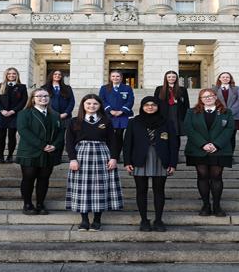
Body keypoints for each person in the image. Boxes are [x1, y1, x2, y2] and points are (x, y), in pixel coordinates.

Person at [65, 94, 124, 231]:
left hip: (102, 155)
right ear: (83, 106)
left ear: (99, 106)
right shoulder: (74, 121)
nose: (92, 106)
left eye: (95, 104)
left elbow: (113, 141)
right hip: (81, 156)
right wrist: (72, 159)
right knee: (82, 188)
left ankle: (97, 220)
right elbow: (69, 142)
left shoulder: (106, 121)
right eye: (88, 104)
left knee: (100, 188)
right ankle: (84, 220)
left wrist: (114, 157)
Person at [123, 96, 178, 232]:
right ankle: (144, 220)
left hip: (161, 159)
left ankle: (158, 220)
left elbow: (174, 144)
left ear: (158, 106)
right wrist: (127, 161)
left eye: (153, 104)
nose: (150, 107)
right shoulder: (134, 122)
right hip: (140, 159)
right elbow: (127, 143)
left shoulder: (167, 122)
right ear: (142, 107)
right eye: (146, 104)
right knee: (141, 191)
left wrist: (173, 163)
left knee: (159, 191)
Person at [184, 88, 235, 217]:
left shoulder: (226, 112)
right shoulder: (192, 112)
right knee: (202, 176)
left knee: (217, 177)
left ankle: (217, 206)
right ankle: (206, 205)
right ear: (200, 99)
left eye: (210, 96)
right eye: (204, 97)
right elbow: (189, 129)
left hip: (220, 150)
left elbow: (229, 129)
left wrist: (216, 144)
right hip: (198, 149)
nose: (208, 98)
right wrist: (203, 144)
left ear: (215, 97)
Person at [15, 88, 64, 215]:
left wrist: (55, 145)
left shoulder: (55, 114)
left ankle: (40, 203)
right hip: (30, 151)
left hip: (49, 152)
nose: (43, 98)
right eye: (39, 96)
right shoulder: (25, 113)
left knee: (44, 179)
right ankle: (27, 204)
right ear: (33, 99)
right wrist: (42, 145)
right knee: (28, 178)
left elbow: (61, 132)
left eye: (46, 96)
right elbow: (24, 131)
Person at [0, 67, 28, 164]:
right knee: (1, 136)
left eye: (14, 74)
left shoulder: (21, 87)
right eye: (9, 74)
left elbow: (23, 101)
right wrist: (1, 110)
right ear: (6, 75)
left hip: (14, 115)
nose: (11, 75)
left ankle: (10, 156)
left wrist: (13, 111)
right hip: (1, 115)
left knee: (12, 136)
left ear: (17, 75)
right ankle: (0, 156)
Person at [98, 71, 134, 158]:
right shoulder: (104, 88)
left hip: (122, 116)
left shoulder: (127, 88)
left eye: (118, 76)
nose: (115, 78)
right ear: (110, 78)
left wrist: (121, 111)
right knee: (107, 135)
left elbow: (130, 101)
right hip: (108, 115)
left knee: (118, 136)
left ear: (121, 78)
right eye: (113, 76)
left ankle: (116, 156)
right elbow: (101, 100)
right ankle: (107, 155)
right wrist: (110, 110)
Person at [40, 69, 75, 159]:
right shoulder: (44, 88)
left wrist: (66, 113)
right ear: (51, 75)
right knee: (51, 135)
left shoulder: (67, 88)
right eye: (55, 74)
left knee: (61, 136)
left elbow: (72, 102)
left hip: (65, 117)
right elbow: (42, 102)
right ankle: (51, 155)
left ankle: (59, 156)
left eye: (59, 74)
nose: (57, 76)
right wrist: (53, 114)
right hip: (50, 116)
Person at [213, 72, 239, 152]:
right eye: (223, 77)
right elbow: (212, 101)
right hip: (218, 115)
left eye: (227, 77)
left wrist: (229, 112)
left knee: (231, 137)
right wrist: (222, 110)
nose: (225, 78)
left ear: (230, 79)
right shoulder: (214, 89)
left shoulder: (237, 89)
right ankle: (220, 153)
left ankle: (230, 155)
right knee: (219, 136)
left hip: (234, 117)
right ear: (219, 79)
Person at [153, 70, 190, 136]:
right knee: (164, 133)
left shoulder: (182, 89)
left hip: (177, 113)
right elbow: (155, 103)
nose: (171, 78)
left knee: (176, 133)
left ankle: (176, 146)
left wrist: (187, 116)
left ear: (176, 78)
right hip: (164, 113)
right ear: (166, 78)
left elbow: (186, 104)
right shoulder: (159, 89)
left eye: (173, 77)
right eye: (169, 77)